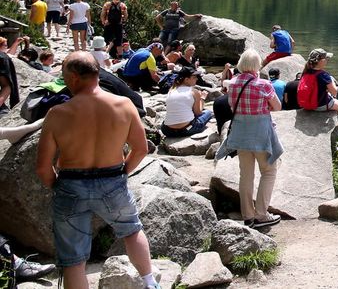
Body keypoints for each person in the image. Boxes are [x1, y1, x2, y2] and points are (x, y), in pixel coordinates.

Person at [35, 52, 160, 289]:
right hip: (112, 178)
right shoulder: (124, 105)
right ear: (96, 74)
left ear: (73, 78)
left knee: (74, 260)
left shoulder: (58, 114)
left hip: (71, 183)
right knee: (131, 231)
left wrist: (59, 186)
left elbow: (43, 167)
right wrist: (123, 171)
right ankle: (150, 282)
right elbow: (141, 149)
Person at [216, 50, 283, 229]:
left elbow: (232, 106)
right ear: (256, 65)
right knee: (268, 172)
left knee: (246, 174)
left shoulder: (233, 84)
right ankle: (261, 214)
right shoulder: (263, 84)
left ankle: (247, 215)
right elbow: (277, 106)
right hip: (261, 134)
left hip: (241, 133)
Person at [300, 49, 338, 146]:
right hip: (320, 105)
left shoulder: (305, 72)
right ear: (321, 61)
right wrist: (332, 83)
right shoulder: (324, 75)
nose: (327, 60)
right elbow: (335, 92)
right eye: (326, 58)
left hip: (307, 104)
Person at [160, 67, 213, 138]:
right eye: (194, 77)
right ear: (186, 80)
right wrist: (202, 98)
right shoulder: (194, 92)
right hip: (187, 129)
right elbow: (198, 113)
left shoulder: (171, 90)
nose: (197, 79)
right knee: (208, 113)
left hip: (168, 131)